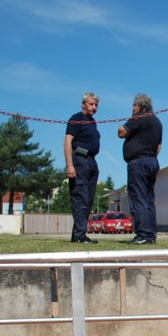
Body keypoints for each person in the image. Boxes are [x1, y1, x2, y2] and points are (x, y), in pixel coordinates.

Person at [118, 93, 162, 245]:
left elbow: (121, 132)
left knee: (138, 198)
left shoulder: (140, 117)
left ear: (141, 106)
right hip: (152, 161)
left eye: (134, 105)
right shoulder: (157, 121)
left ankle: (142, 234)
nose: (132, 108)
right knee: (149, 200)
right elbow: (159, 146)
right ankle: (151, 235)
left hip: (139, 162)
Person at [64, 92, 101, 244]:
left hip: (91, 161)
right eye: (91, 104)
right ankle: (80, 236)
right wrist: (70, 165)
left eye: (96, 105)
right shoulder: (76, 119)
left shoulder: (92, 122)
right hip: (79, 159)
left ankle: (78, 234)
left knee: (89, 200)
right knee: (80, 198)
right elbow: (67, 142)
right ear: (83, 104)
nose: (94, 107)